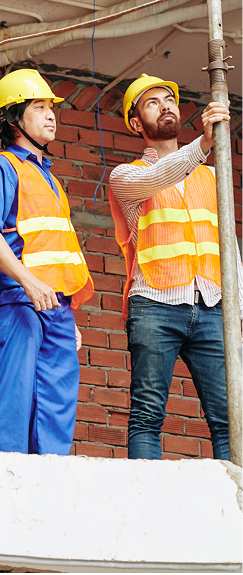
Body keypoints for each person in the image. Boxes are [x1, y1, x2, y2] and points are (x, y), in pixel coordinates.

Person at [109, 73, 243, 460]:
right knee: (148, 414)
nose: (165, 105)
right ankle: (145, 504)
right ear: (136, 124)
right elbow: (161, 174)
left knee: (229, 417)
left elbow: (228, 247)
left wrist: (236, 312)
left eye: (169, 98)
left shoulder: (213, 176)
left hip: (213, 307)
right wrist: (205, 142)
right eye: (152, 102)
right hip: (154, 303)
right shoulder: (128, 176)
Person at [0, 68, 94, 454]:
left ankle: (48, 488)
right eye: (39, 107)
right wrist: (28, 282)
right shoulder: (0, 167)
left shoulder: (49, 179)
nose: (50, 115)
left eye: (51, 107)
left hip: (54, 306)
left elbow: (58, 252)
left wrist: (67, 310)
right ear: (12, 118)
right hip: (14, 299)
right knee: (14, 398)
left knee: (57, 405)